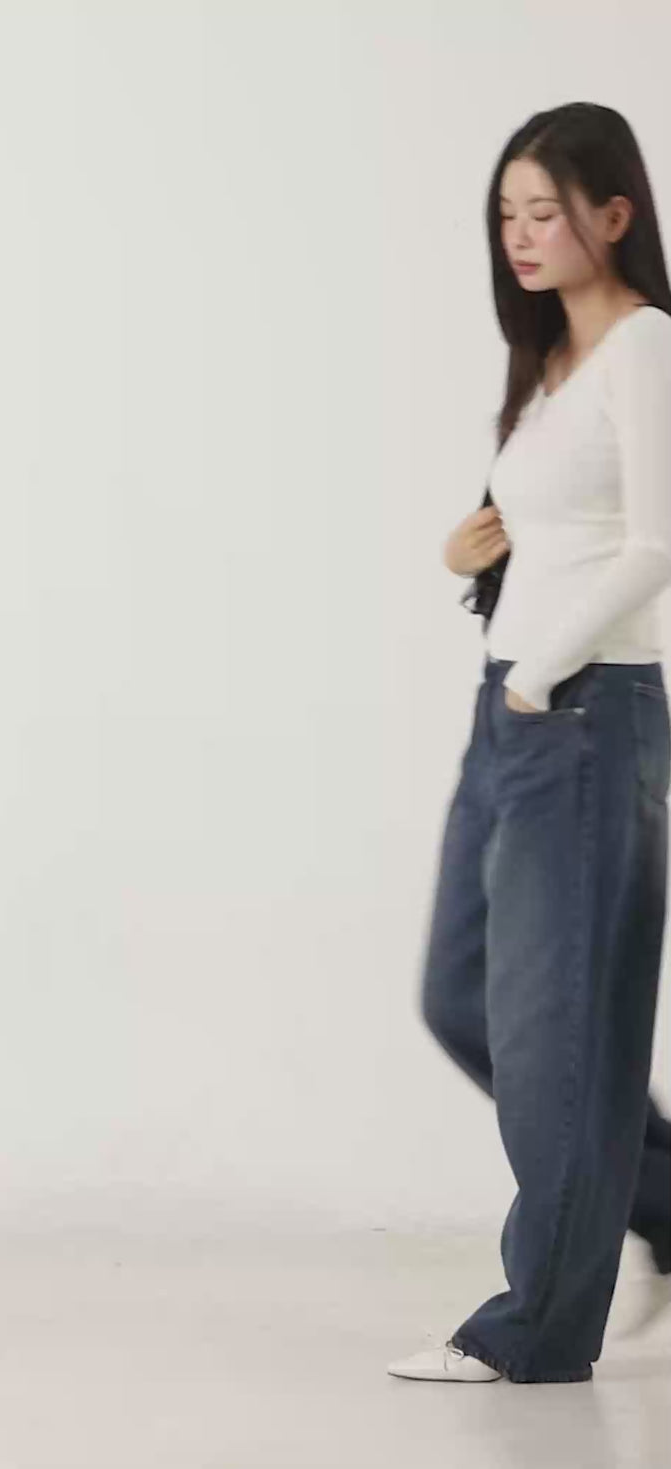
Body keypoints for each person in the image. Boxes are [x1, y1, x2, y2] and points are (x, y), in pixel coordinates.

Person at [389, 101, 671, 1385]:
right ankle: (659, 1202)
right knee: (463, 997)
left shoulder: (644, 345)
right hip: (510, 706)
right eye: (507, 212)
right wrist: (469, 558)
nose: (521, 232)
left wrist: (546, 673)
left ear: (615, 212)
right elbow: (554, 532)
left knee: (561, 1036)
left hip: (586, 714)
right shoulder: (552, 361)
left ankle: (539, 1329)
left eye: (545, 209)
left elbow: (656, 546)